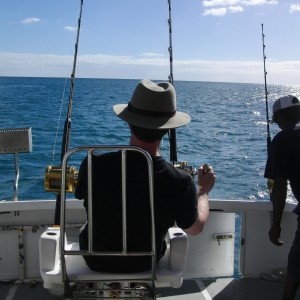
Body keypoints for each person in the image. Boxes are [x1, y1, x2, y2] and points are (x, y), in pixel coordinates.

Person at [75, 79, 215, 273]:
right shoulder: (180, 181)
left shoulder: (92, 164)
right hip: (144, 264)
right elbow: (195, 229)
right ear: (168, 129)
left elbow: (81, 195)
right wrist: (203, 191)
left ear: (129, 123)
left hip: (94, 259)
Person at [264, 95, 300, 300]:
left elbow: (279, 186)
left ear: (283, 116)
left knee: (296, 266)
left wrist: (275, 225)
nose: (277, 126)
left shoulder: (285, 137)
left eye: (276, 121)